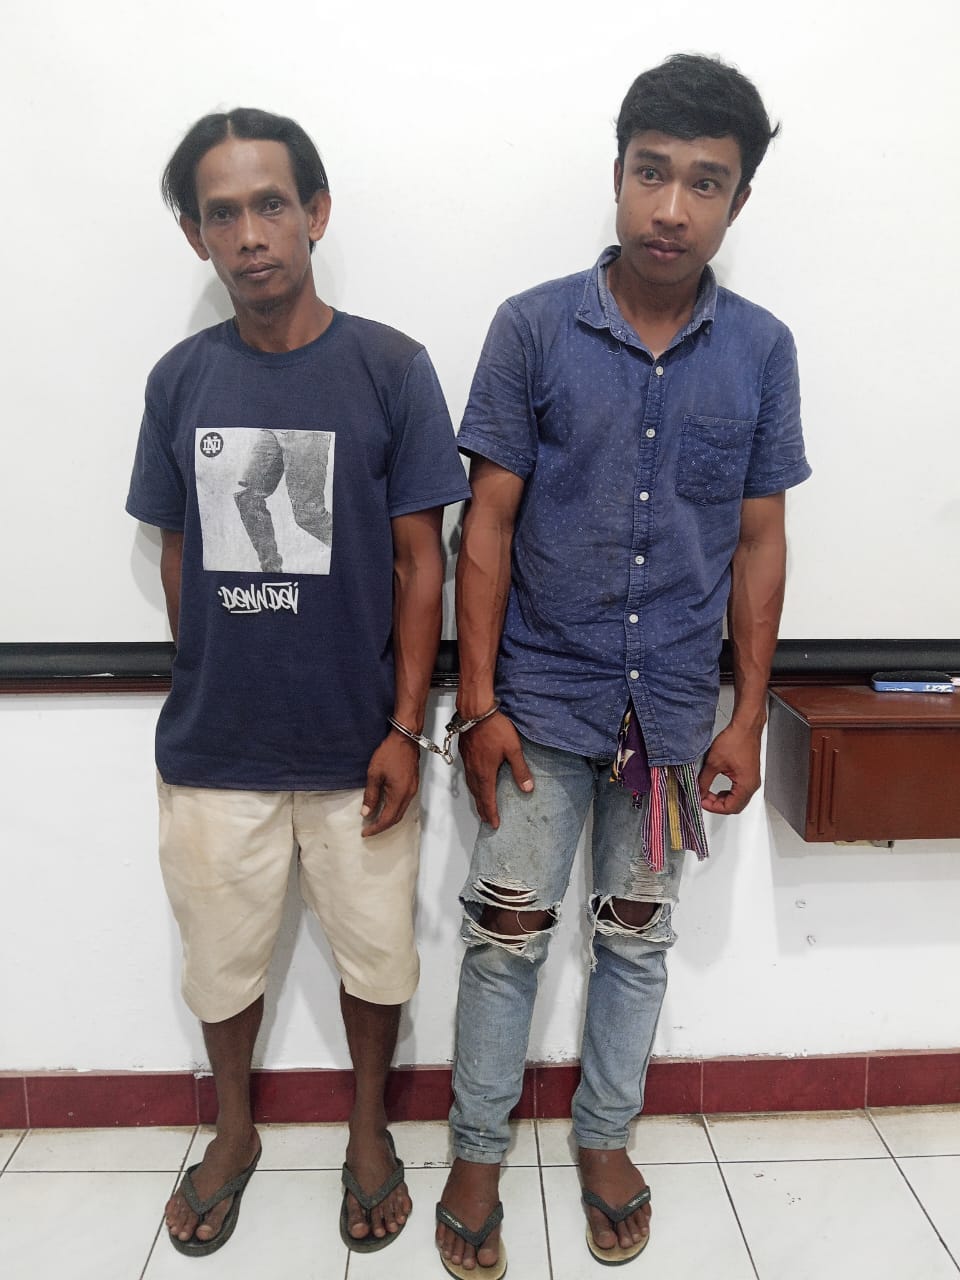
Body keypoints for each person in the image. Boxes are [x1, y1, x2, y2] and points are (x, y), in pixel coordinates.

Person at [436, 54, 811, 1275]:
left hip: (671, 723)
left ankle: (604, 1136)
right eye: (652, 173)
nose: (672, 207)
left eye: (705, 183)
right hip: (539, 704)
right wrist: (477, 703)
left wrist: (746, 715)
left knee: (636, 939)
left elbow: (760, 538)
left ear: (737, 201)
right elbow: (485, 525)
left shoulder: (761, 350)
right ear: (617, 174)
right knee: (507, 933)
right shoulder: (533, 327)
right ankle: (478, 1150)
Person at [126, 107, 470, 1257]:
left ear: (315, 213)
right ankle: (234, 1129)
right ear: (196, 235)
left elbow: (423, 561)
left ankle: (369, 1126)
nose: (250, 233)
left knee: (378, 954)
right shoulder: (180, 380)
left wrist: (404, 726)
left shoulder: (391, 369)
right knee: (220, 959)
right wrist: (214, 667)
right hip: (215, 745)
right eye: (221, 212)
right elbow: (178, 546)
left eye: (271, 203)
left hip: (357, 744)